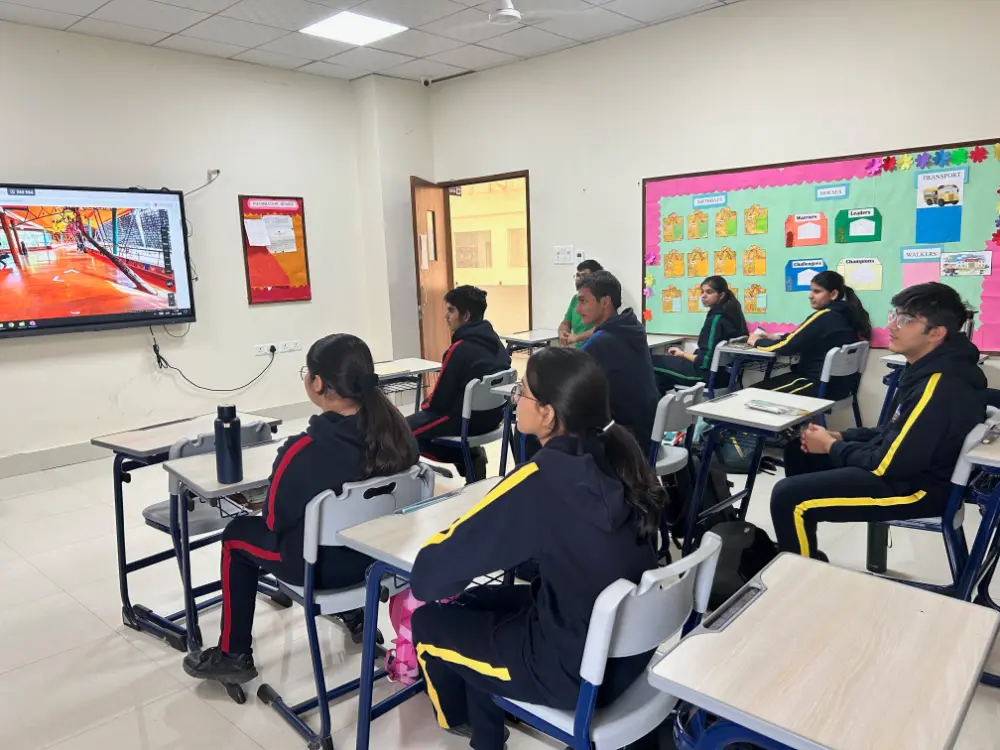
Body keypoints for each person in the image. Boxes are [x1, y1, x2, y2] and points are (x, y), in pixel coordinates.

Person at [409, 347, 663, 750]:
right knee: (472, 603)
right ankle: (489, 729)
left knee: (428, 624)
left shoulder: (541, 480)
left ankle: (466, 726)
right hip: (625, 655)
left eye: (522, 391)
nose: (515, 399)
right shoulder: (615, 456)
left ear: (547, 413)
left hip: (572, 673)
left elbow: (428, 578)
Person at [183, 333, 419, 685]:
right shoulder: (398, 433)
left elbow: (273, 521)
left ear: (318, 383)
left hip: (322, 572)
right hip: (382, 562)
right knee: (340, 524)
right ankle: (354, 613)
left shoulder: (304, 451)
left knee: (236, 535)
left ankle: (233, 654)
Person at [770, 282, 987, 560]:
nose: (892, 325)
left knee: (788, 497)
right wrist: (841, 437)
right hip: (905, 469)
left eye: (906, 319)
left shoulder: (940, 384)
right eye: (894, 315)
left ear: (936, 333)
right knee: (798, 453)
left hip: (920, 489)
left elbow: (887, 464)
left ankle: (796, 574)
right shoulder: (927, 367)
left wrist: (831, 447)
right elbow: (893, 431)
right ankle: (805, 552)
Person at [408, 285, 511, 480]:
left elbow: (439, 402)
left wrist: (425, 405)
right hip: (494, 418)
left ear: (465, 316)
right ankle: (471, 457)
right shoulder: (497, 344)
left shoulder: (459, 349)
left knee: (400, 433)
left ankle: (468, 456)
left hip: (465, 422)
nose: (446, 316)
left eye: (451, 310)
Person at [746, 270, 871, 398]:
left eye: (817, 291)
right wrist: (775, 336)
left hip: (815, 385)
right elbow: (802, 336)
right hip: (841, 388)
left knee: (749, 394)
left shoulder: (823, 317)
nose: (810, 296)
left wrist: (756, 341)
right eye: (811, 290)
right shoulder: (846, 315)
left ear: (833, 294)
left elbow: (786, 346)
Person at [577, 270, 660, 445]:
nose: (578, 309)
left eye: (583, 301)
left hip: (626, 443)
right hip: (649, 433)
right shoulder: (632, 327)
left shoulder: (601, 342)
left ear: (605, 302)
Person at [651, 275, 748, 394]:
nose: (703, 296)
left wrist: (682, 354)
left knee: (649, 361)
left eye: (709, 292)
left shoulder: (716, 319)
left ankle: (658, 405)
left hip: (706, 376)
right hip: (725, 376)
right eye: (702, 292)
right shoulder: (732, 314)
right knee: (659, 377)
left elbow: (704, 362)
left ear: (721, 295)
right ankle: (664, 404)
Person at [558, 259, 602, 347]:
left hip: (595, 348)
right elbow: (566, 322)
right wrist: (563, 333)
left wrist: (577, 337)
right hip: (579, 350)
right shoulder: (575, 299)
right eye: (578, 275)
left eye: (584, 275)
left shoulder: (600, 299)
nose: (579, 279)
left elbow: (602, 328)